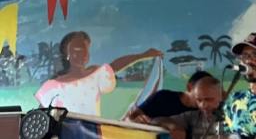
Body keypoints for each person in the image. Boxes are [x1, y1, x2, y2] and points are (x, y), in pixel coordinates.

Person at [34, 31, 162, 116]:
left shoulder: (95, 74)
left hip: (91, 138)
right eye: (77, 49)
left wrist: (143, 55)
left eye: (86, 49)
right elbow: (38, 116)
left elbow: (116, 65)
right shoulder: (51, 86)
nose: (83, 53)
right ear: (66, 54)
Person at [127, 70, 207, 124]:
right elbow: (132, 117)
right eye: (205, 92)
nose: (207, 100)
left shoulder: (207, 110)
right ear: (190, 88)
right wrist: (137, 120)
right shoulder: (163, 97)